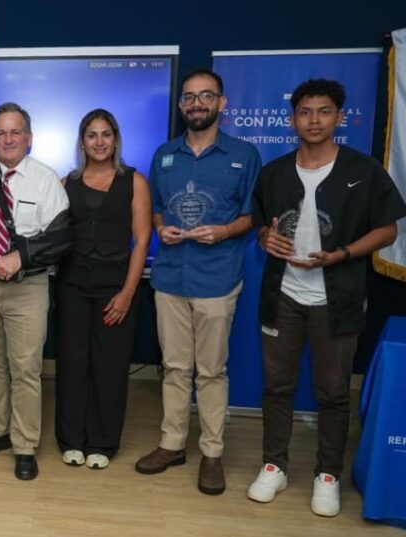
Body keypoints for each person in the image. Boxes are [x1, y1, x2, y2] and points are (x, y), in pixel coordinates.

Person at [247, 79, 406, 516]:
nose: (313, 120)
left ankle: (327, 474)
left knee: (333, 391)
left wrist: (340, 254)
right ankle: (274, 465)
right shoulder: (274, 172)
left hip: (338, 300)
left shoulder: (363, 169)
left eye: (323, 111)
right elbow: (262, 226)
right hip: (283, 296)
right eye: (304, 112)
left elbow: (388, 229)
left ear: (340, 117)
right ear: (291, 118)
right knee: (277, 386)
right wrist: (266, 238)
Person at [135, 68, 261, 496]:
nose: (197, 104)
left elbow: (253, 216)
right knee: (173, 368)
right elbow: (154, 208)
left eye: (206, 96)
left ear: (221, 104)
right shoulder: (164, 154)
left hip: (218, 280)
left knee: (210, 371)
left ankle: (211, 453)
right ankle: (172, 445)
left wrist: (223, 232)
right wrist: (160, 228)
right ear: (181, 105)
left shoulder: (244, 154)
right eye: (189, 97)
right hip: (170, 276)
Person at [0, 102, 70, 481]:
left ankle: (24, 445)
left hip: (27, 288)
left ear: (29, 138)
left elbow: (62, 236)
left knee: (25, 369)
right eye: (1, 133)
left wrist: (21, 257)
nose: (8, 139)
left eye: (15, 132)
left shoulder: (45, 179)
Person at [54, 109, 151, 470]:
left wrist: (127, 293)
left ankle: (103, 443)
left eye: (105, 134)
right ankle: (71, 440)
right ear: (82, 141)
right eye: (91, 135)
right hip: (72, 285)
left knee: (109, 366)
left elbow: (142, 241)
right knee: (73, 363)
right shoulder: (68, 183)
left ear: (115, 139)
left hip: (116, 287)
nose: (98, 142)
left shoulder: (135, 182)